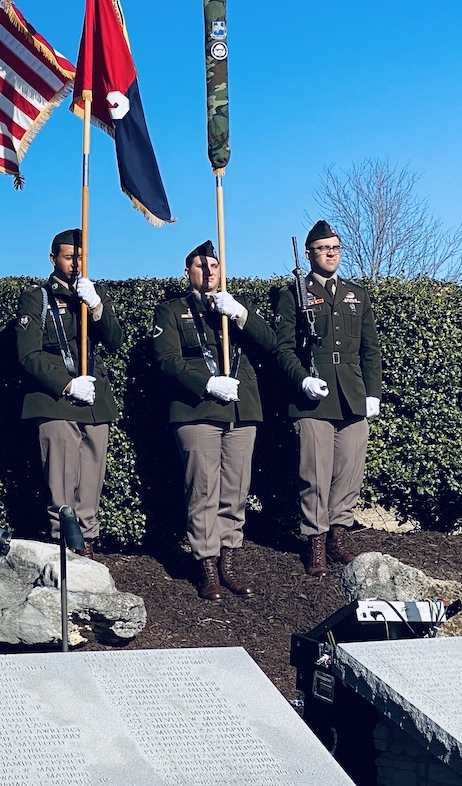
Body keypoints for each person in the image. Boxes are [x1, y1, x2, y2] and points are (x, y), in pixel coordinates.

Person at [152, 240, 276, 600]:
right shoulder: (172, 310)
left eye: (214, 266)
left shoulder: (235, 306)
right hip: (197, 410)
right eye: (201, 266)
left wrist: (239, 314)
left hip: (241, 410)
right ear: (187, 272)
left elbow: (271, 343)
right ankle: (206, 564)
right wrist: (206, 382)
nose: (209, 272)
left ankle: (228, 561)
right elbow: (167, 360)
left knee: (236, 491)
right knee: (203, 488)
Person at [273, 219, 382, 577]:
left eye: (335, 248)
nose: (330, 254)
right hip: (313, 397)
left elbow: (371, 350)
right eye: (323, 249)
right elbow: (283, 349)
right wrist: (302, 379)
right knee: (314, 474)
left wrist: (372, 393)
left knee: (349, 471)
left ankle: (338, 536)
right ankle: (316, 542)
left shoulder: (357, 294)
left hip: (351, 394)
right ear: (309, 254)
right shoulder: (293, 294)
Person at [17, 228, 123, 558]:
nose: (75, 263)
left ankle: (87, 544)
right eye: (68, 257)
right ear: (53, 259)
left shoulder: (94, 293)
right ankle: (63, 547)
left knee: (91, 481)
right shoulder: (38, 298)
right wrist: (66, 383)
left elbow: (117, 340)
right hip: (57, 401)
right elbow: (28, 354)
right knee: (61, 484)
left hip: (95, 402)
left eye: (80, 257)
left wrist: (96, 306)